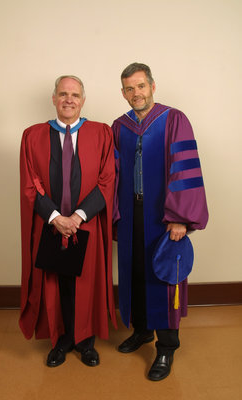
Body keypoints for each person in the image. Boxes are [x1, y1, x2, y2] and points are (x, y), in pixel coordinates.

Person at [112, 63, 208, 381]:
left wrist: (180, 217)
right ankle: (142, 331)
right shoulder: (119, 126)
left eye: (140, 86)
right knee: (135, 273)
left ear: (153, 85)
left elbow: (184, 167)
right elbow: (111, 174)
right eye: (129, 88)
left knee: (165, 277)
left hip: (163, 217)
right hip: (130, 214)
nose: (135, 93)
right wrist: (113, 215)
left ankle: (166, 348)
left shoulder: (174, 120)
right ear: (123, 92)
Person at [19, 75, 117, 368]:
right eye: (63, 94)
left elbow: (107, 180)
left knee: (85, 282)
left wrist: (77, 217)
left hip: (85, 224)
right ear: (54, 99)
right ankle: (61, 340)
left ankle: (85, 342)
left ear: (83, 100)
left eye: (74, 94)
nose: (69, 99)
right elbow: (29, 184)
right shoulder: (33, 135)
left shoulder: (101, 133)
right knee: (54, 281)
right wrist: (55, 217)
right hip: (50, 224)